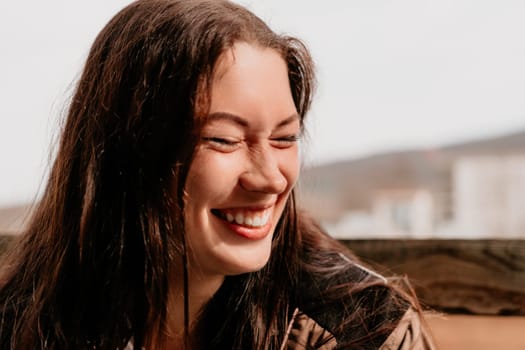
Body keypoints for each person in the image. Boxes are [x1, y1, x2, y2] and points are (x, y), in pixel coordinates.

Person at [0, 0, 436, 349]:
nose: (270, 179)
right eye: (224, 140)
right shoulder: (18, 322)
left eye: (284, 139)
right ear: (128, 150)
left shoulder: (362, 331)